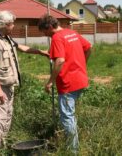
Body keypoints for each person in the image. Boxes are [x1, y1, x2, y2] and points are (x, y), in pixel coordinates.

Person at [0, 10, 48, 151]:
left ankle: (2, 148)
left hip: (8, 86)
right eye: (11, 24)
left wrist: (41, 52)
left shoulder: (5, 37)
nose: (13, 27)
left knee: (6, 118)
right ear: (4, 25)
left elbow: (21, 48)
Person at [38, 15, 91, 154]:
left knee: (67, 116)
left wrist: (50, 82)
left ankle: (73, 151)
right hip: (80, 80)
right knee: (70, 114)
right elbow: (88, 47)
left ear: (49, 27)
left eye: (44, 32)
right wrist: (82, 65)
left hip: (68, 83)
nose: (45, 35)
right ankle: (73, 145)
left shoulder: (57, 37)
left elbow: (60, 60)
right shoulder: (71, 32)